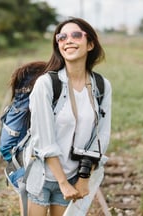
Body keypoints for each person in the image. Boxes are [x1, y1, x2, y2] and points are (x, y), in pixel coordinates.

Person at [25, 17, 112, 216]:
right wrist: (62, 183)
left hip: (74, 177)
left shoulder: (102, 86)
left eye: (75, 35)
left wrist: (83, 178)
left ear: (90, 44)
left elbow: (101, 135)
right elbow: (44, 139)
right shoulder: (46, 84)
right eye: (62, 37)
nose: (68, 40)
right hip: (43, 176)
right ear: (58, 45)